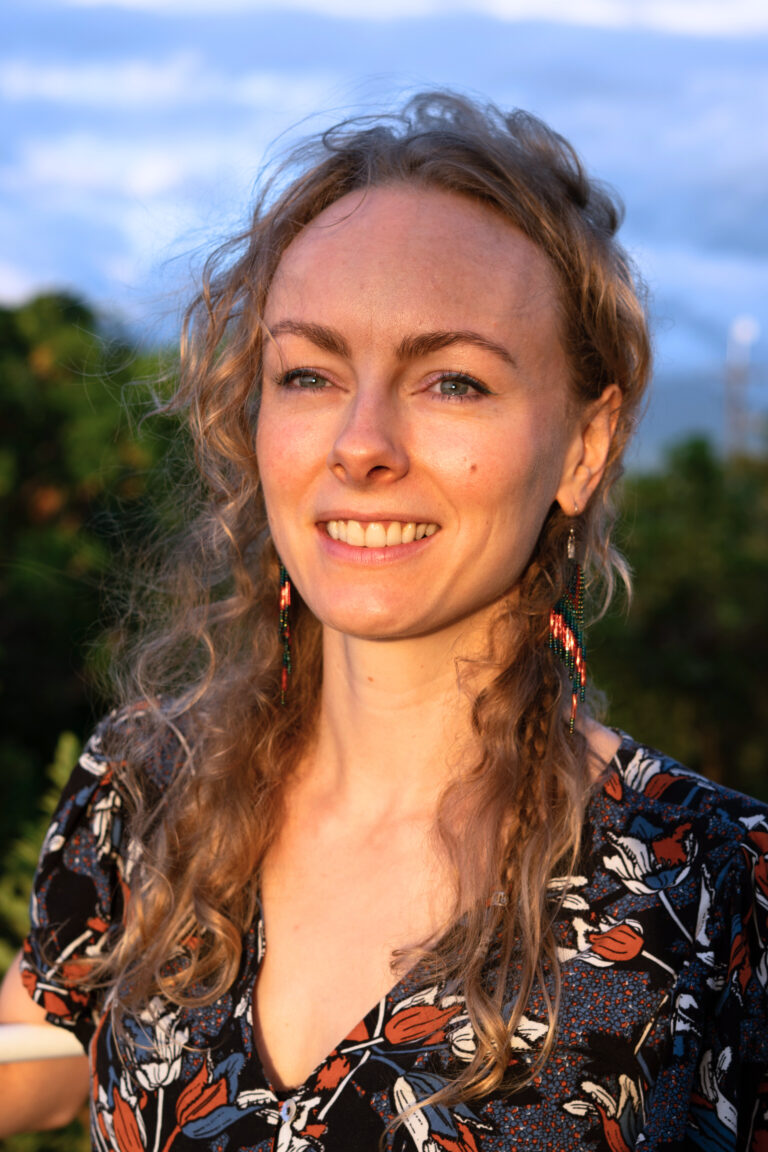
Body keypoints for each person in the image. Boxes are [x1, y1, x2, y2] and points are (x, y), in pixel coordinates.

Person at [0, 91, 766, 1151]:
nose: (360, 444)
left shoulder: (721, 895)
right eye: (309, 374)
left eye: (453, 381)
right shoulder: (146, 795)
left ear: (585, 447)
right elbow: (45, 1054)